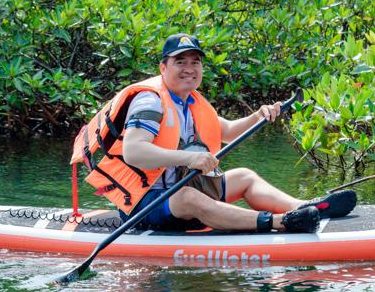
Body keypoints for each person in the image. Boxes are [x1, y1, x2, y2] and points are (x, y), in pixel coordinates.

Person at [73, 33, 356, 233]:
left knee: (243, 176)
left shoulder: (191, 101)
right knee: (189, 198)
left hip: (176, 193)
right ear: (163, 67)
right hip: (145, 205)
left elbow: (229, 131)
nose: (189, 69)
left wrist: (260, 115)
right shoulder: (149, 101)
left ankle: (306, 209)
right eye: (180, 62)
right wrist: (188, 159)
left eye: (195, 62)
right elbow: (134, 152)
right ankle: (279, 222)